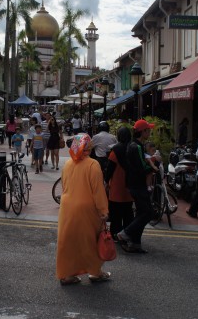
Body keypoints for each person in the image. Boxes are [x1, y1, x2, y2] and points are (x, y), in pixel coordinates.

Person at [56, 133, 110, 285]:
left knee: (68, 241)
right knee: (90, 241)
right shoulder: (93, 164)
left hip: (67, 206)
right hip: (87, 208)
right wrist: (103, 210)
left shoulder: (67, 164)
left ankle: (67, 275)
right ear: (89, 148)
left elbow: (64, 185)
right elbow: (98, 190)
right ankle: (95, 272)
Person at [116, 119, 156, 254]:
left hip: (134, 183)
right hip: (137, 184)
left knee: (141, 212)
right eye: (148, 130)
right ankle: (125, 233)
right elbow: (141, 167)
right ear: (142, 131)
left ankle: (135, 243)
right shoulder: (136, 146)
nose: (149, 132)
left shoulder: (135, 145)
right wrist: (154, 167)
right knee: (148, 212)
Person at [104, 127, 134, 239]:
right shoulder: (133, 148)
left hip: (117, 185)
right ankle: (127, 234)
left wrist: (106, 182)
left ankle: (116, 234)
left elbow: (110, 169)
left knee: (116, 213)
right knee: (128, 212)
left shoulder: (115, 150)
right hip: (129, 186)